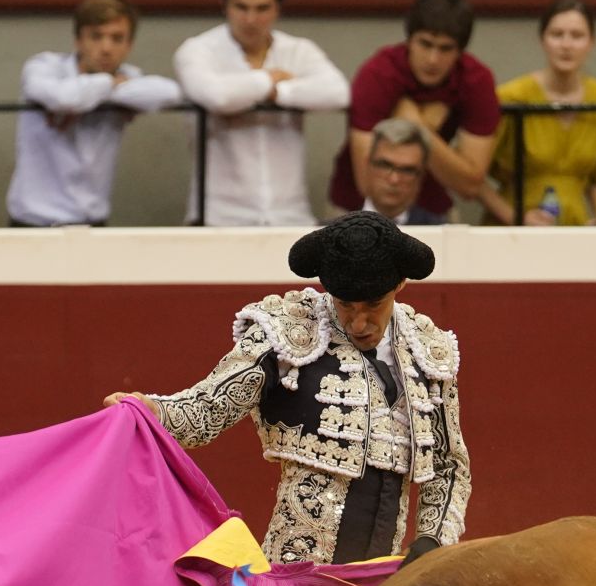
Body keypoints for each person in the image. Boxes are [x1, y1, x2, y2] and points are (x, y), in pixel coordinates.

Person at [103, 212, 469, 565]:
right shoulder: (287, 331)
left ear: (400, 285)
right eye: (344, 304)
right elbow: (208, 408)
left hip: (380, 584)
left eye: (374, 305)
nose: (358, 323)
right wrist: (153, 412)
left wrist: (431, 541)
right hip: (296, 575)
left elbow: (448, 465)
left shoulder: (425, 349)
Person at [173, 0, 351, 226]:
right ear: (223, 4)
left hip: (290, 216)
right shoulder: (198, 50)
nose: (251, 19)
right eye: (241, 7)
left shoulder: (298, 50)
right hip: (219, 218)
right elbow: (216, 96)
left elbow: (338, 92)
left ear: (278, 8)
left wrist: (280, 94)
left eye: (262, 8)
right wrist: (268, 81)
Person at [6, 0, 182, 227]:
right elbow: (63, 98)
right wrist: (109, 84)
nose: (106, 48)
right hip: (33, 222)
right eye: (96, 37)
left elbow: (171, 93)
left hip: (92, 222)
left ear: (129, 45)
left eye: (117, 39)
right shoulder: (45, 66)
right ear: (78, 40)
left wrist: (99, 91)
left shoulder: (129, 77)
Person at [328, 0, 499, 222]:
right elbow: (368, 181)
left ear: (460, 51)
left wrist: (416, 125)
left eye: (445, 48)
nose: (432, 59)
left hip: (432, 208)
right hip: (356, 209)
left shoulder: (475, 79)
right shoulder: (380, 73)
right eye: (425, 44)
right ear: (409, 40)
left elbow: (470, 185)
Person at [483, 0, 596, 227]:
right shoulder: (511, 97)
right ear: (542, 40)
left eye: (577, 36)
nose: (566, 45)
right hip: (511, 229)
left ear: (591, 42)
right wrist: (517, 218)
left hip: (575, 228)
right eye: (557, 34)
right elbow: (473, 178)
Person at [361, 119, 448, 225]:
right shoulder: (337, 229)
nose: (394, 179)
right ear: (367, 165)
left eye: (407, 170)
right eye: (385, 165)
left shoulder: (438, 233)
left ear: (421, 176)